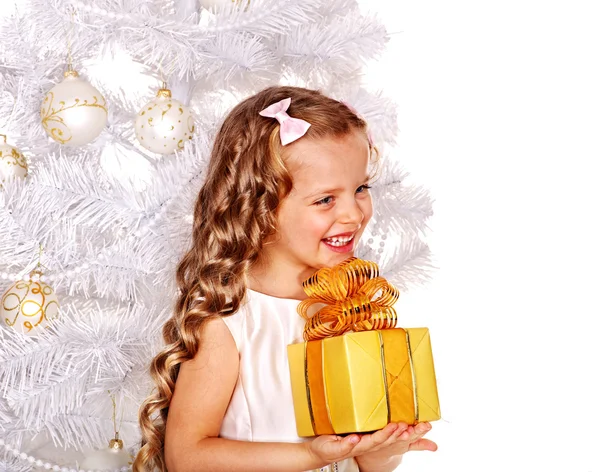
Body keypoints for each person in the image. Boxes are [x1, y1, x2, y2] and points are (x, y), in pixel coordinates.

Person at [133, 86, 437, 472]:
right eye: (325, 199)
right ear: (261, 207)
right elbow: (186, 458)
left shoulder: (348, 312)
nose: (353, 214)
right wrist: (309, 456)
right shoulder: (231, 322)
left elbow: (362, 463)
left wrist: (384, 446)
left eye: (360, 189)